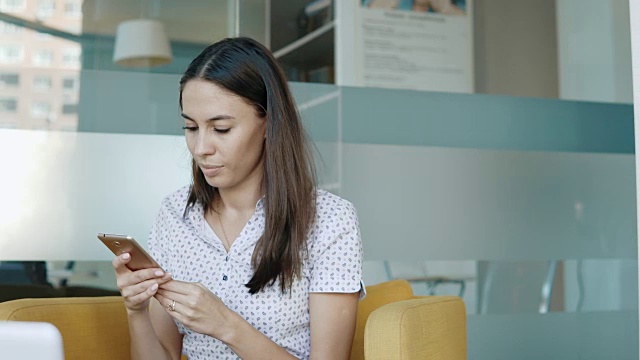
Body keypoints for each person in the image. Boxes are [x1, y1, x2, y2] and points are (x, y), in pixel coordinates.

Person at [111, 37, 365, 360]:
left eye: (221, 129)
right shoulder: (175, 214)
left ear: (267, 124)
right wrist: (137, 311)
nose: (201, 147)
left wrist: (226, 325)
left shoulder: (330, 220)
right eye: (191, 127)